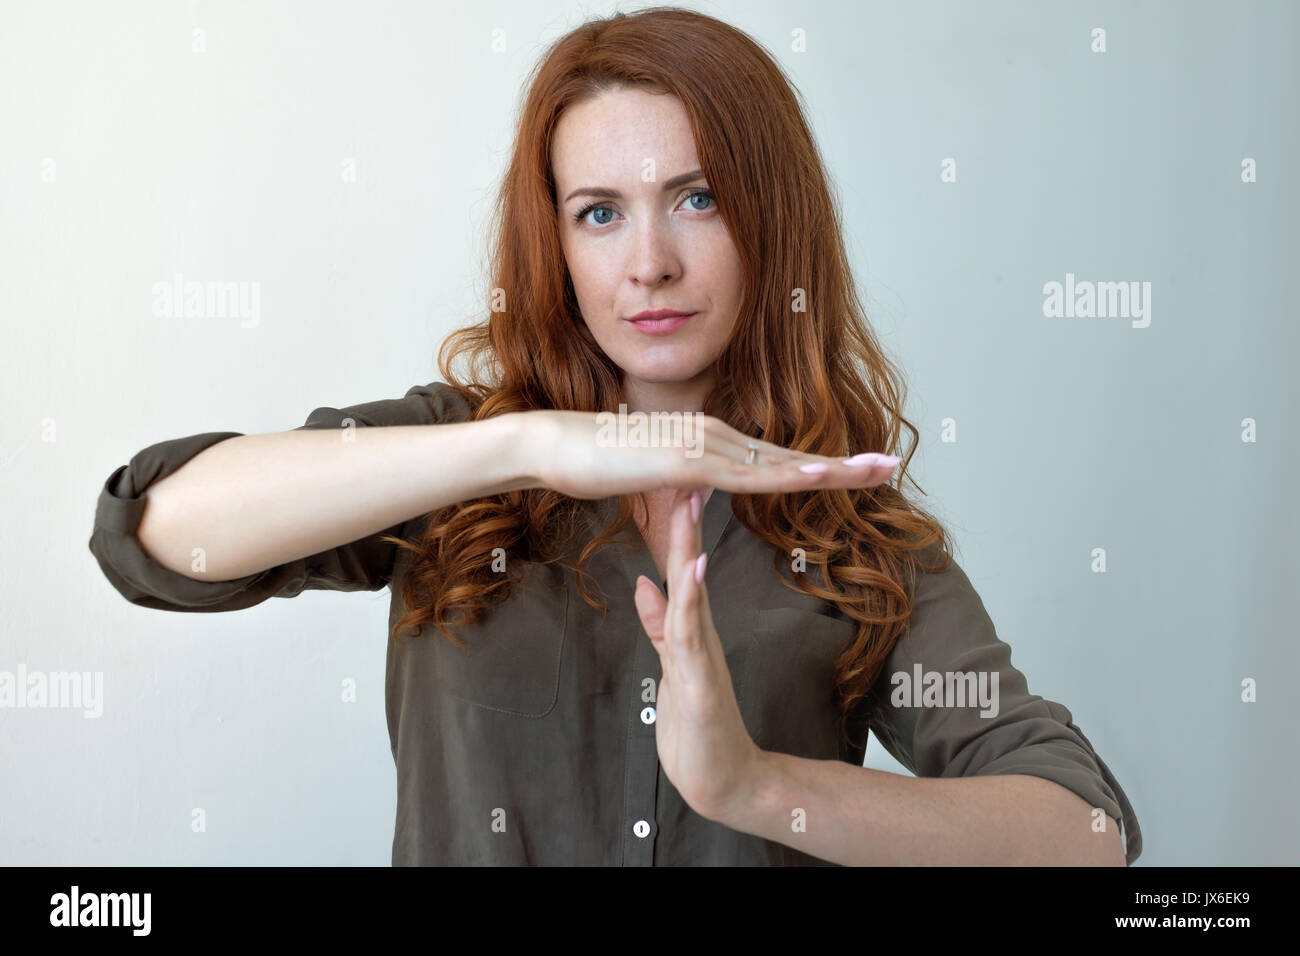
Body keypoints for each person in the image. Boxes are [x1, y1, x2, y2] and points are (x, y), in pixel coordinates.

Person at [88, 6, 1141, 866]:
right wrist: (525, 443)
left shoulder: (856, 534)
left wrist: (756, 784)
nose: (649, 263)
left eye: (697, 197)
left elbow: (1083, 831)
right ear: (554, 240)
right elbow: (156, 531)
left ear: (770, 221)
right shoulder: (457, 456)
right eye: (599, 211)